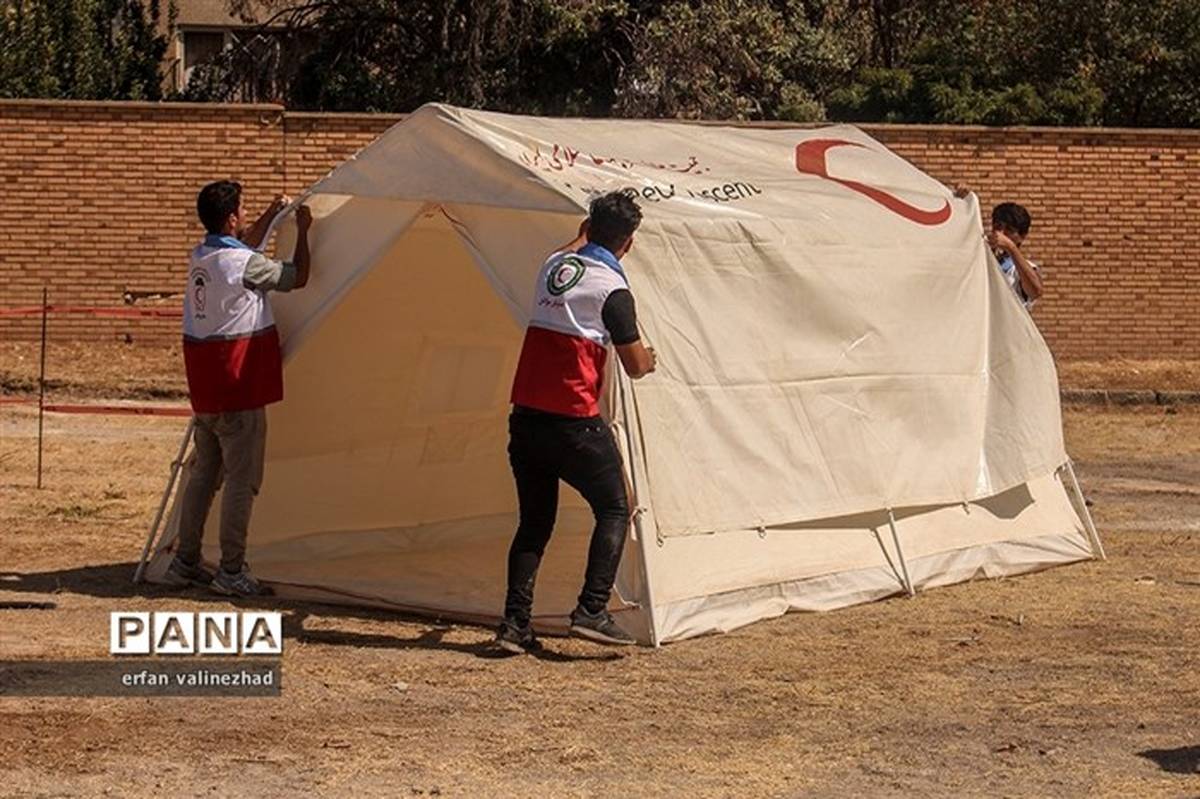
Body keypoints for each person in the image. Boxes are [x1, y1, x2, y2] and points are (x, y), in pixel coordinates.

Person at [497, 191, 657, 653]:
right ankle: (591, 609)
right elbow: (634, 364)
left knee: (534, 522)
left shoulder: (552, 268)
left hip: (526, 416)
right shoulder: (613, 290)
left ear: (588, 228)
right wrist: (651, 360)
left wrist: (585, 230)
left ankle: (514, 624)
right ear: (628, 242)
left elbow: (570, 248)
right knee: (613, 506)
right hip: (573, 422)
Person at [163, 181, 313, 596]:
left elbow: (240, 245)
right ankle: (231, 570)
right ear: (231, 218)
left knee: (203, 475)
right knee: (241, 481)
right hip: (238, 386)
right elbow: (296, 277)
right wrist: (304, 230)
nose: (245, 217)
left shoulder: (203, 256)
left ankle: (184, 562)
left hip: (206, 389)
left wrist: (269, 211)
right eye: (242, 211)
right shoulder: (241, 265)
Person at [988, 202, 1043, 310]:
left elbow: (1035, 291)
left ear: (1022, 237)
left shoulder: (1019, 269)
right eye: (998, 227)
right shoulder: (983, 258)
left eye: (1009, 230)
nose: (1001, 233)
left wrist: (1011, 248)